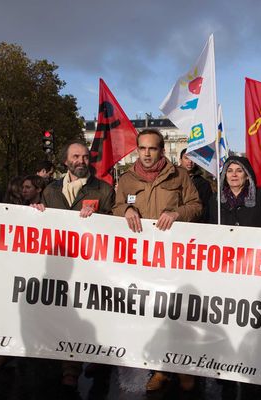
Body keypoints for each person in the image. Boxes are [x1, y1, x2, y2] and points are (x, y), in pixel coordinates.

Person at [112, 130, 201, 392]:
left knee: (178, 314)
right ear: (137, 150)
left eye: (152, 149)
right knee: (152, 316)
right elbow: (115, 208)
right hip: (141, 261)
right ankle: (160, 370)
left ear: (162, 150)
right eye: (142, 149)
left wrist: (177, 212)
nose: (147, 153)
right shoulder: (127, 179)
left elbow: (196, 205)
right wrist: (125, 209)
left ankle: (184, 368)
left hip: (173, 258)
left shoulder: (179, 175)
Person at [33, 140, 115, 387]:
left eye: (86, 157)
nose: (82, 161)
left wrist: (99, 219)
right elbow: (43, 220)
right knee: (66, 313)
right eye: (76, 157)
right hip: (62, 263)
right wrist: (35, 211)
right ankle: (70, 366)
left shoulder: (102, 189)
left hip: (92, 264)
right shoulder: (50, 190)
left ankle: (96, 358)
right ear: (66, 161)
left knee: (92, 312)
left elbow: (115, 222)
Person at [209, 155, 261, 227]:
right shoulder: (216, 199)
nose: (234, 175)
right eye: (229, 171)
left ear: (247, 176)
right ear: (225, 175)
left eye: (239, 171)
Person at [180, 148, 213, 222]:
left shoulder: (204, 184)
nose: (190, 162)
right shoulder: (172, 179)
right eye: (186, 158)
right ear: (180, 160)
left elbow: (206, 209)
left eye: (193, 158)